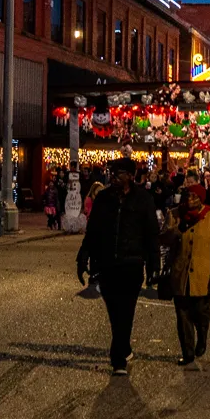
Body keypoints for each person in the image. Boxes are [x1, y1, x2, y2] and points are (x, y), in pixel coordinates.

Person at [77, 157, 161, 376]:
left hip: (132, 263)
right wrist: (83, 255)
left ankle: (118, 359)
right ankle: (123, 346)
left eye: (119, 173)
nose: (113, 176)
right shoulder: (103, 199)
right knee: (114, 310)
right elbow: (93, 230)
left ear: (131, 176)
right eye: (112, 172)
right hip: (107, 263)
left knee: (127, 309)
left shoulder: (143, 199)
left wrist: (154, 264)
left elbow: (152, 233)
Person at [168, 184, 210, 367]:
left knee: (201, 312)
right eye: (187, 197)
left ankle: (202, 335)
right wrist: (177, 230)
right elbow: (163, 239)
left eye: (194, 197)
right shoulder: (175, 214)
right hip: (181, 274)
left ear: (201, 198)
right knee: (183, 315)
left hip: (202, 275)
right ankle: (188, 352)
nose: (190, 200)